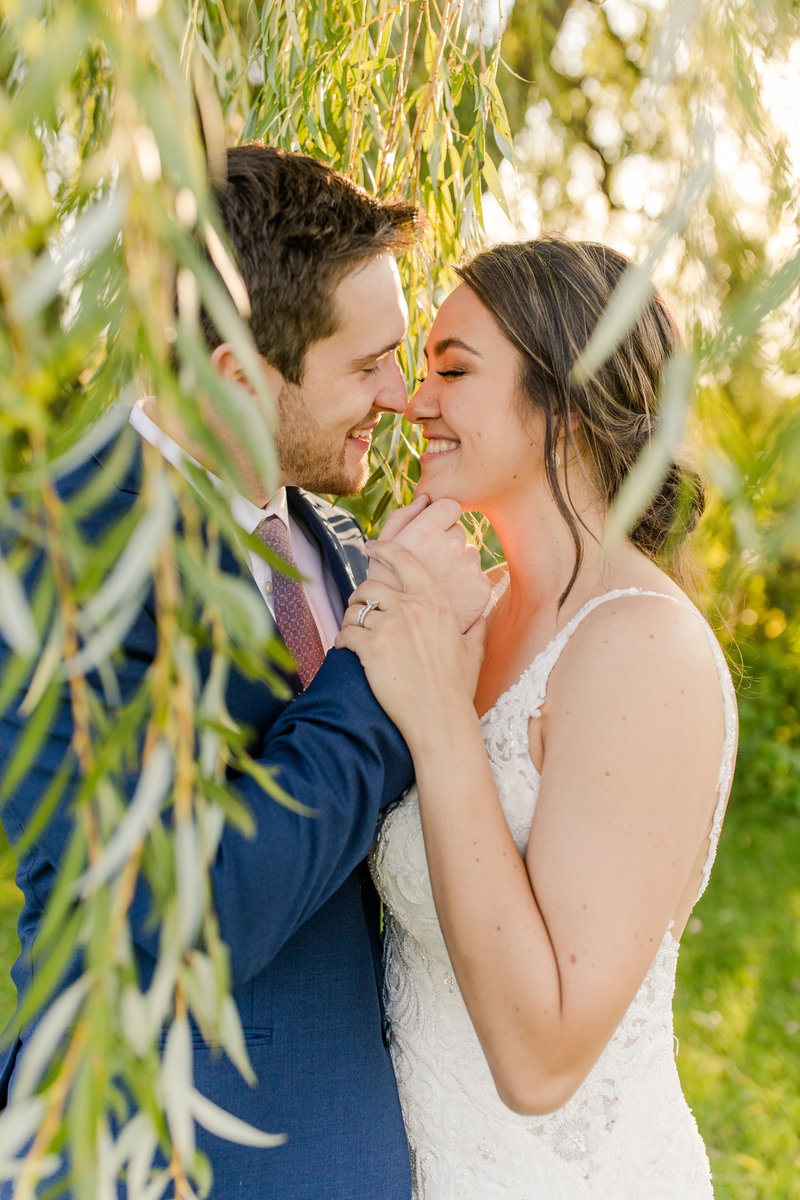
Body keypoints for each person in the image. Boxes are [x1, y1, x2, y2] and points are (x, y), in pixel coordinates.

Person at [0, 145, 489, 1198]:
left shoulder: (339, 544)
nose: (401, 397)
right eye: (365, 367)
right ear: (234, 375)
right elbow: (173, 915)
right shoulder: (50, 562)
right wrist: (376, 664)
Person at [337, 235, 738, 1198]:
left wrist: (437, 718)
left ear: (563, 405)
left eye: (453, 371)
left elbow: (540, 1060)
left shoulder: (644, 652)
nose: (414, 401)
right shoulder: (476, 617)